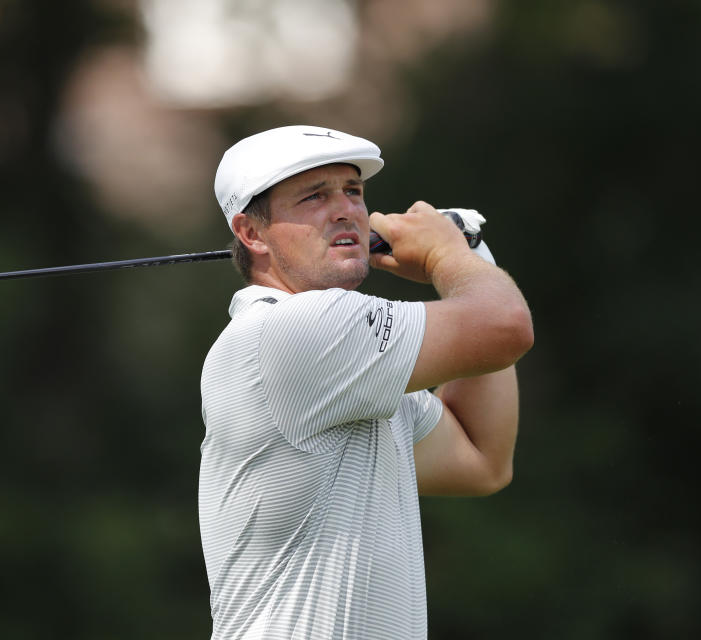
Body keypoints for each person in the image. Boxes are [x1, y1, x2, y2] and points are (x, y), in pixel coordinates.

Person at [198, 125, 533, 639]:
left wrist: (470, 257)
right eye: (314, 196)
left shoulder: (351, 368)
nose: (346, 211)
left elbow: (481, 457)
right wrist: (449, 258)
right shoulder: (296, 330)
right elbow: (505, 327)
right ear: (251, 233)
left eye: (353, 191)